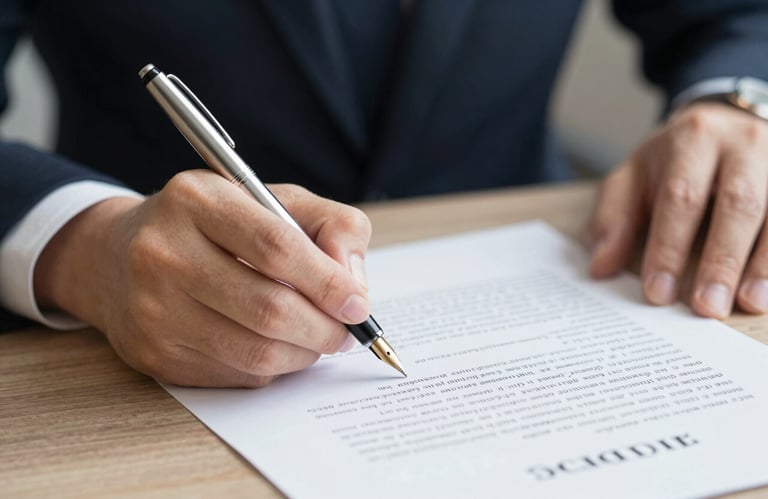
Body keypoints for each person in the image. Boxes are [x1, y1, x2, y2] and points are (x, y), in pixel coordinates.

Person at [1, 1, 767, 387]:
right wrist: (81, 245)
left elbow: (733, 13)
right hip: (132, 347)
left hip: (553, 254)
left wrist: (740, 101)